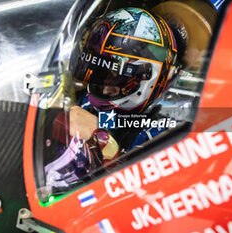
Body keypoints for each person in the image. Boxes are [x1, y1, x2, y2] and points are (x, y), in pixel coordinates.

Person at [45, 7, 179, 190]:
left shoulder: (165, 131)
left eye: (114, 76)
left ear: (147, 77)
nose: (102, 86)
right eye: (98, 73)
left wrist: (102, 143)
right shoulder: (89, 96)